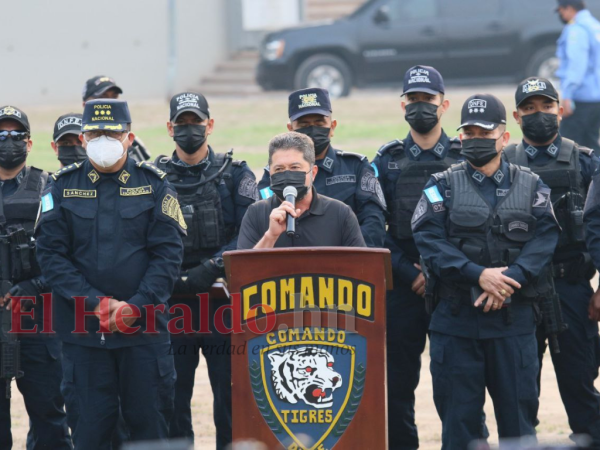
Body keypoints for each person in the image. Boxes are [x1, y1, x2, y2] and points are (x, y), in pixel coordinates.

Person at [35, 99, 186, 448]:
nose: (103, 139)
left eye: (112, 132)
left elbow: (168, 255)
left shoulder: (155, 185)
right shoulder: (61, 186)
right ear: (83, 139)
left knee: (151, 431)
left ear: (129, 137)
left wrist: (137, 306)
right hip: (83, 335)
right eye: (95, 132)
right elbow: (51, 256)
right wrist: (96, 304)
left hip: (145, 333)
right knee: (90, 433)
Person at [412, 94, 560, 448]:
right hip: (456, 321)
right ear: (460, 136)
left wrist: (509, 280)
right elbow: (428, 240)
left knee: (519, 427)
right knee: (459, 427)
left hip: (515, 323)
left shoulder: (531, 185)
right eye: (469, 132)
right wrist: (477, 274)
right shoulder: (441, 186)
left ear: (504, 137)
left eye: (485, 131)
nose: (476, 138)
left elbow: (546, 237)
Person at [154, 91, 258, 448]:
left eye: (195, 122)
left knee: (232, 397)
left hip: (222, 304)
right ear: (170, 128)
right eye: (181, 123)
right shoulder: (154, 178)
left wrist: (212, 267)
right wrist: (175, 276)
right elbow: (145, 239)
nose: (189, 130)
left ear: (209, 125)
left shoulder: (235, 174)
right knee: (171, 397)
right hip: (173, 303)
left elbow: (250, 232)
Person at [371, 65, 464, 449]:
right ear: (402, 104)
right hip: (402, 286)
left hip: (454, 288)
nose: (420, 106)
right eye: (413, 99)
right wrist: (408, 272)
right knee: (395, 391)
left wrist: (443, 272)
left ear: (443, 104)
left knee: (458, 388)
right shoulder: (385, 161)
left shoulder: (464, 156)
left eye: (428, 99)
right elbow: (373, 228)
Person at [505, 77, 600, 446]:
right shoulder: (504, 164)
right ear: (516, 116)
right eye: (529, 108)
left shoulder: (587, 162)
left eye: (546, 107)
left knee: (580, 385)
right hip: (521, 293)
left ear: (560, 110)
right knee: (518, 390)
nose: (539, 115)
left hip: (573, 290)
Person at [0, 106, 71, 449]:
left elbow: (65, 252)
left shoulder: (48, 188)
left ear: (29, 143)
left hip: (37, 318)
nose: (9, 141)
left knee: (49, 417)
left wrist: (34, 285)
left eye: (16, 135)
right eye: (2, 135)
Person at [256, 88, 385, 247]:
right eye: (303, 124)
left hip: (345, 263)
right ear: (290, 129)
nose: (312, 129)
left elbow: (373, 223)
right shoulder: (274, 175)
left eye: (319, 123)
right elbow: (259, 225)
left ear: (332, 126)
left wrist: (342, 258)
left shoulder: (355, 167)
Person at [238, 132, 365, 249]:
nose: (287, 174)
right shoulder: (255, 213)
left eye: (295, 167)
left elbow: (362, 267)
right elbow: (243, 270)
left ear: (313, 173)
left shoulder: (341, 214)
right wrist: (270, 236)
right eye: (279, 169)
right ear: (270, 173)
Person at [556, 0, 600, 154]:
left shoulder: (577, 30)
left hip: (581, 99)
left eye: (561, 10)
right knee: (591, 146)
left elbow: (576, 66)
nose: (561, 15)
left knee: (566, 148)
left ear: (569, 8)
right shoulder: (595, 26)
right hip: (596, 98)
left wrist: (567, 95)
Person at [82, 75, 152, 162]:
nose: (110, 103)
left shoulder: (129, 141)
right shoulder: (73, 139)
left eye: (114, 97)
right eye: (102, 97)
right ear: (85, 105)